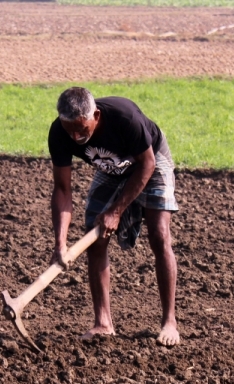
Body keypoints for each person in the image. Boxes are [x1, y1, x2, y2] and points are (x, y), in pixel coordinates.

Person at [48, 87, 180, 346]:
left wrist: (116, 211)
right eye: (69, 130)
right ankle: (103, 323)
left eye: (82, 130)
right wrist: (60, 243)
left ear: (95, 115)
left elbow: (147, 165)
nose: (76, 137)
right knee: (94, 238)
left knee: (159, 234)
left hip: (149, 159)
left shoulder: (124, 117)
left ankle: (169, 321)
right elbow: (62, 190)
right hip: (111, 167)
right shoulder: (59, 133)